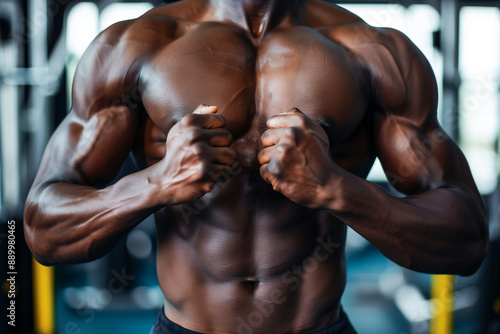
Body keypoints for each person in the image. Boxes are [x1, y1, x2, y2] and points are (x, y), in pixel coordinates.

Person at [24, 0, 488, 333]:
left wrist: (337, 189)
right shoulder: (132, 48)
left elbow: (466, 239)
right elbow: (43, 230)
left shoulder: (375, 54)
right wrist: (155, 183)